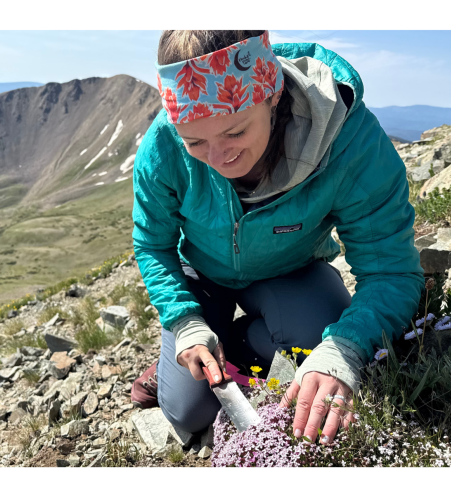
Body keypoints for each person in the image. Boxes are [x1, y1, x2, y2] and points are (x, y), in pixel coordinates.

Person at [130, 30, 423, 445]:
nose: (217, 159)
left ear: (273, 95)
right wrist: (186, 322)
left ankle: (234, 343)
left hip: (292, 269)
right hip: (202, 275)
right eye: (194, 141)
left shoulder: (349, 143)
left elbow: (392, 272)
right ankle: (186, 355)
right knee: (189, 411)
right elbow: (153, 244)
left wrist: (345, 349)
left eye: (234, 132)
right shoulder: (163, 141)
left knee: (321, 338)